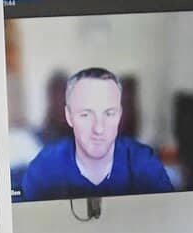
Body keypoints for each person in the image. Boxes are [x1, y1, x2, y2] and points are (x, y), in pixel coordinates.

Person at [15, 68, 178, 200]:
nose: (99, 128)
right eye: (86, 114)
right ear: (69, 116)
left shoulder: (144, 162)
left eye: (109, 113)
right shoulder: (44, 167)